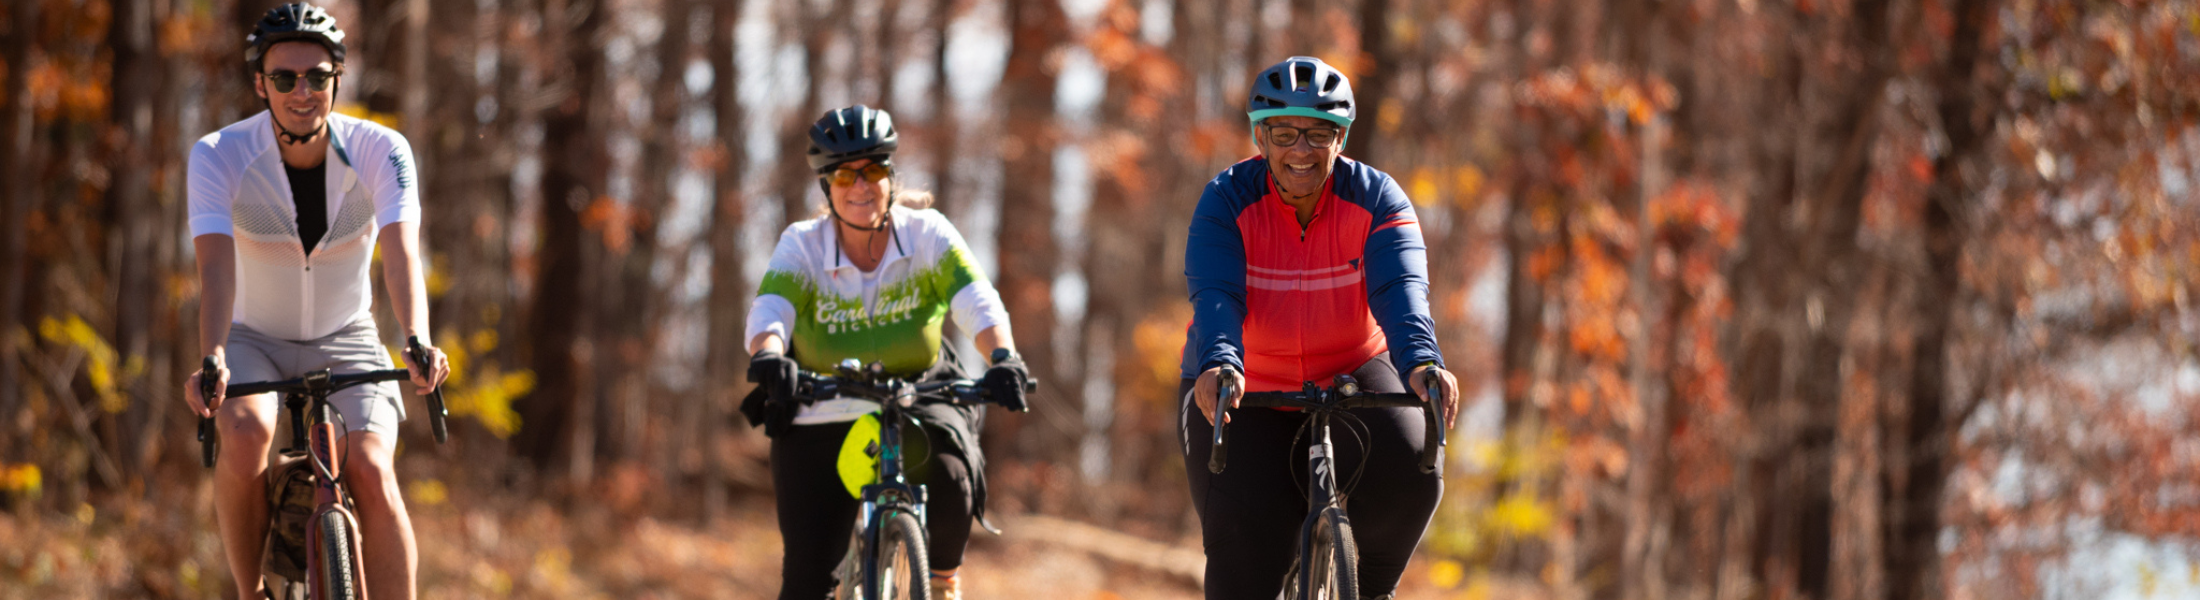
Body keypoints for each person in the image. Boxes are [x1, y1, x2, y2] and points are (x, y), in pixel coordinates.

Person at [181, 4, 450, 599]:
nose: (302, 91)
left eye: (317, 76)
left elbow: (403, 254)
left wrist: (416, 338)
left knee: (373, 471)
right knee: (247, 431)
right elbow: (216, 267)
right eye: (284, 78)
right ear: (261, 84)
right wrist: (215, 356)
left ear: (337, 79)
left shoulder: (383, 149)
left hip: (347, 335)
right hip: (253, 338)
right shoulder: (218, 154)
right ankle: (251, 592)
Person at [1178, 56, 1463, 600]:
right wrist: (1220, 362)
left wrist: (1425, 364)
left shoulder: (1378, 200)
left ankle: (1370, 590)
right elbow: (1217, 297)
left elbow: (1401, 296)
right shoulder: (1225, 201)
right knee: (1244, 552)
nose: (1301, 150)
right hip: (1243, 383)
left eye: (1319, 133)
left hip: (1353, 371)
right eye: (1284, 133)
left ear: (1341, 138)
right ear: (1261, 139)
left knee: (1414, 471)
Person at [742, 105, 1030, 600]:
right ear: (825, 187)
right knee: (807, 581)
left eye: (872, 170)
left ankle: (938, 584)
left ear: (891, 177)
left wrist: (1003, 356)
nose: (860, 186)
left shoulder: (927, 234)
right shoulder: (803, 245)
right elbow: (771, 310)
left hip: (915, 394)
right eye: (844, 175)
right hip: (821, 406)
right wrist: (769, 354)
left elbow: (978, 303)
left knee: (953, 477)